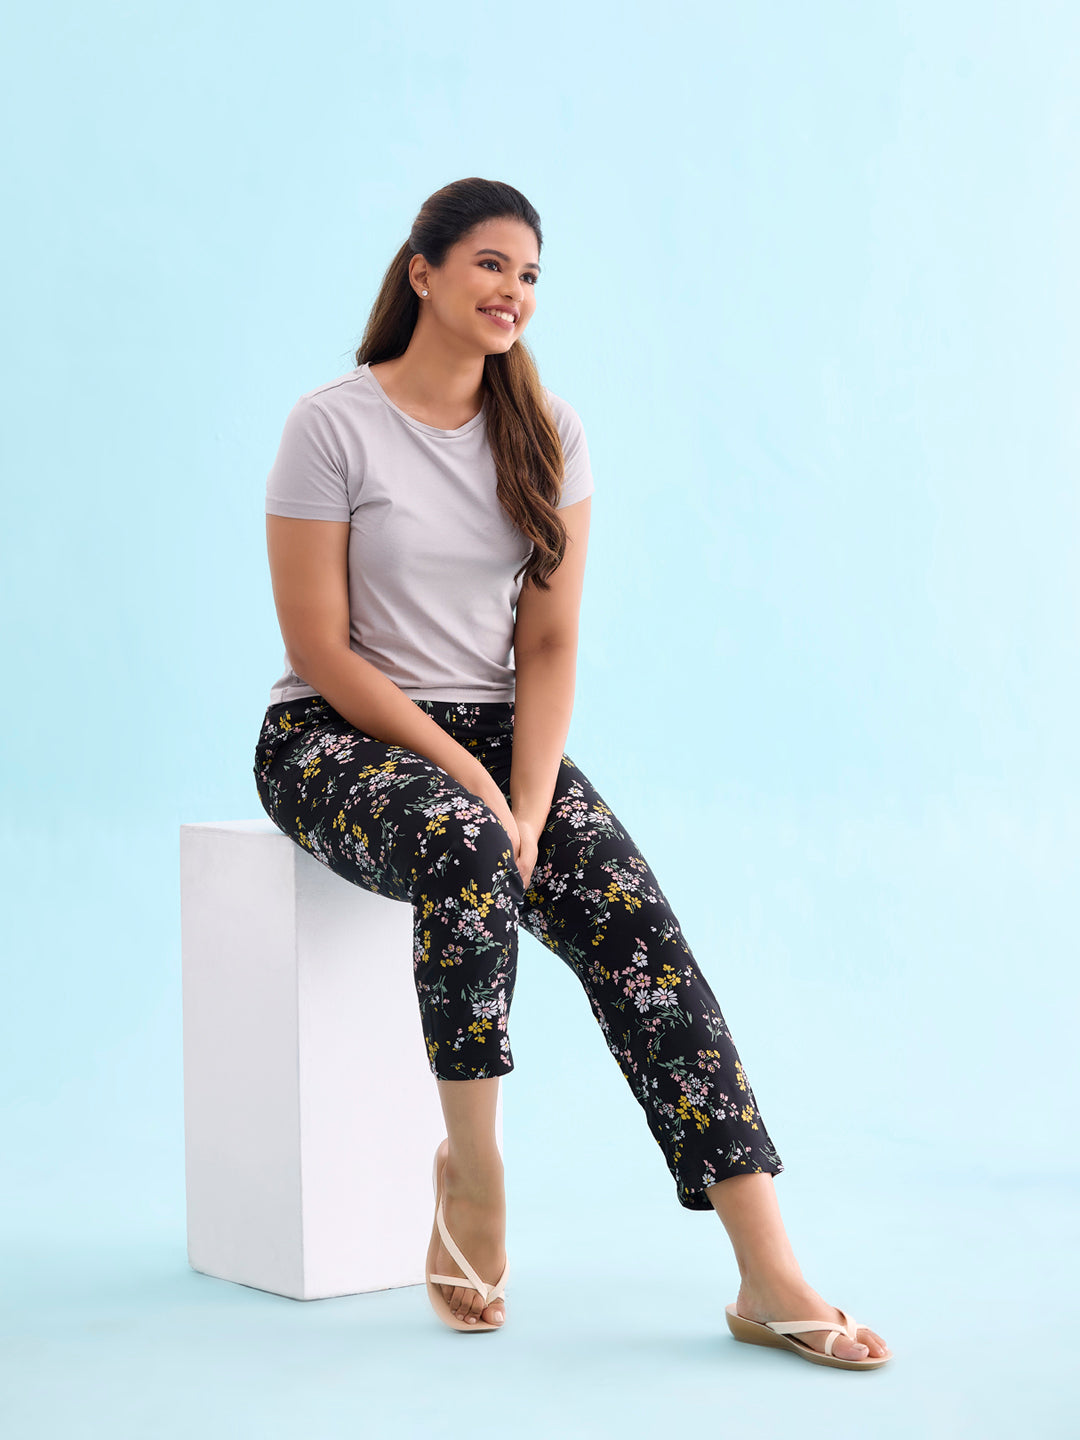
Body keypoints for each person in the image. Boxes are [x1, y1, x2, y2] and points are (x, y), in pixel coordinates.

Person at [252, 177, 892, 1369]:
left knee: (641, 940)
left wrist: (533, 801)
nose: (515, 291)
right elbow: (321, 649)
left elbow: (546, 647)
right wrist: (476, 787)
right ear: (423, 272)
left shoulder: (548, 433)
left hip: (504, 739)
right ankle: (473, 1166)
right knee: (467, 841)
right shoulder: (331, 425)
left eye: (532, 274)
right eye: (492, 264)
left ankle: (768, 1272)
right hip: (335, 735)